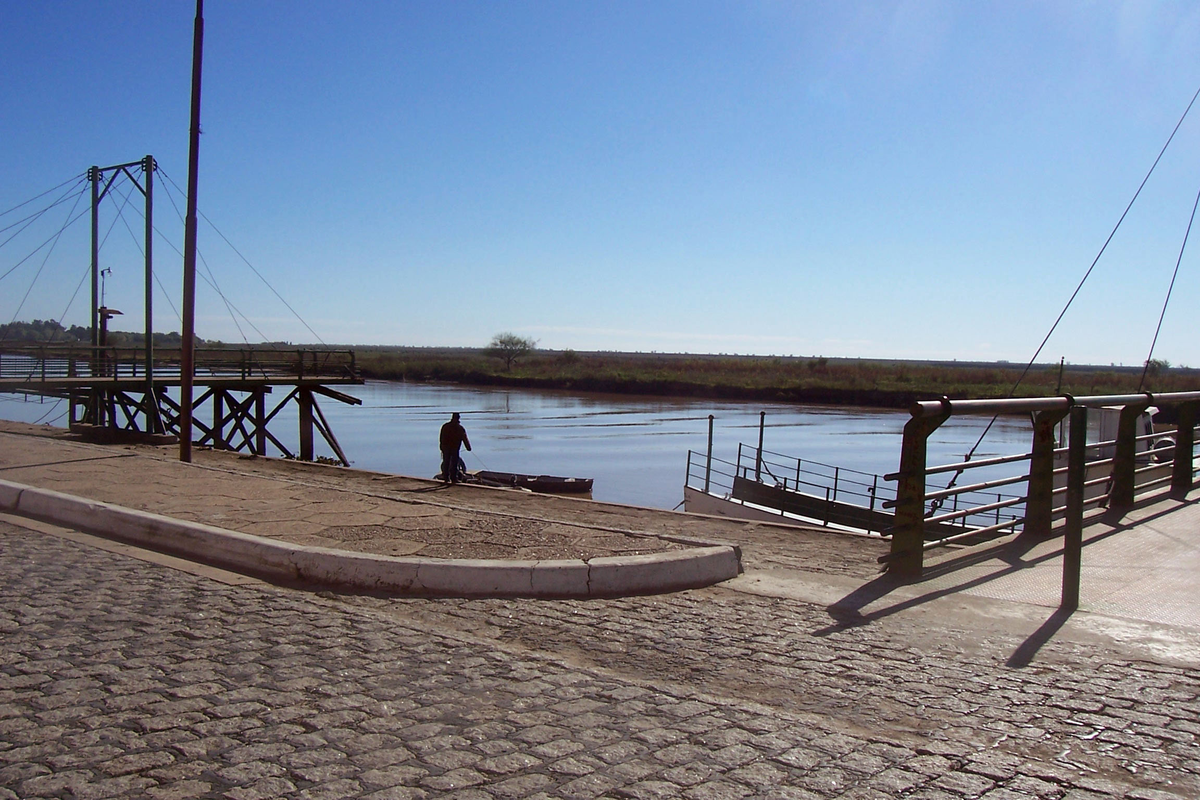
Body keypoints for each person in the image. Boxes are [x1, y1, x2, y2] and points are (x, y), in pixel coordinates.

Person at [439, 412, 471, 484]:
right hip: (454, 448)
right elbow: (464, 438)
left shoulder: (445, 426)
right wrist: (468, 447)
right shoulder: (460, 428)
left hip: (446, 448)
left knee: (446, 462)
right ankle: (454, 479)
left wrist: (441, 447)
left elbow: (441, 438)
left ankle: (446, 478)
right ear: (458, 418)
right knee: (454, 463)